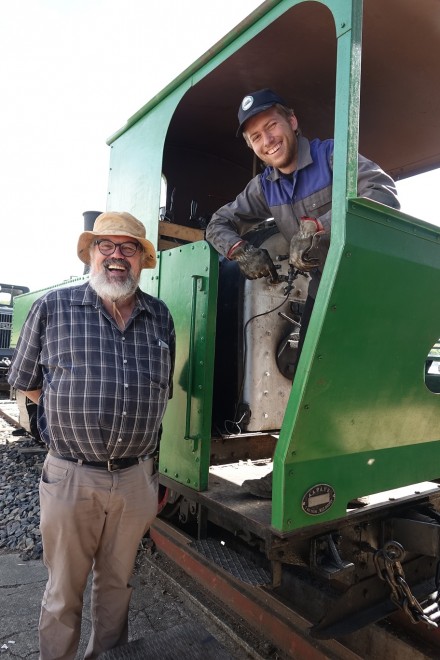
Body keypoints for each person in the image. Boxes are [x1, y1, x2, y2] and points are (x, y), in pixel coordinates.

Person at [205, 88, 400, 498]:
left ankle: (351, 473)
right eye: (255, 136)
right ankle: (299, 475)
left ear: (292, 122)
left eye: (271, 125)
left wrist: (321, 225)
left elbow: (383, 194)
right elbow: (217, 224)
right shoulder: (265, 187)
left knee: (351, 383)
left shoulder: (333, 156)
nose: (266, 140)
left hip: (364, 287)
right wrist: (241, 250)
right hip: (322, 287)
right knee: (312, 380)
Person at [8, 211, 175, 659]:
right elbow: (25, 380)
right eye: (107, 246)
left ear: (142, 259)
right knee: (64, 591)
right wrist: (71, 413)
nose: (117, 257)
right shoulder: (53, 307)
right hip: (71, 476)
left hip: (136, 478)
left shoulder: (160, 316)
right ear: (91, 254)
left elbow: (163, 391)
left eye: (129, 248)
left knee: (117, 587)